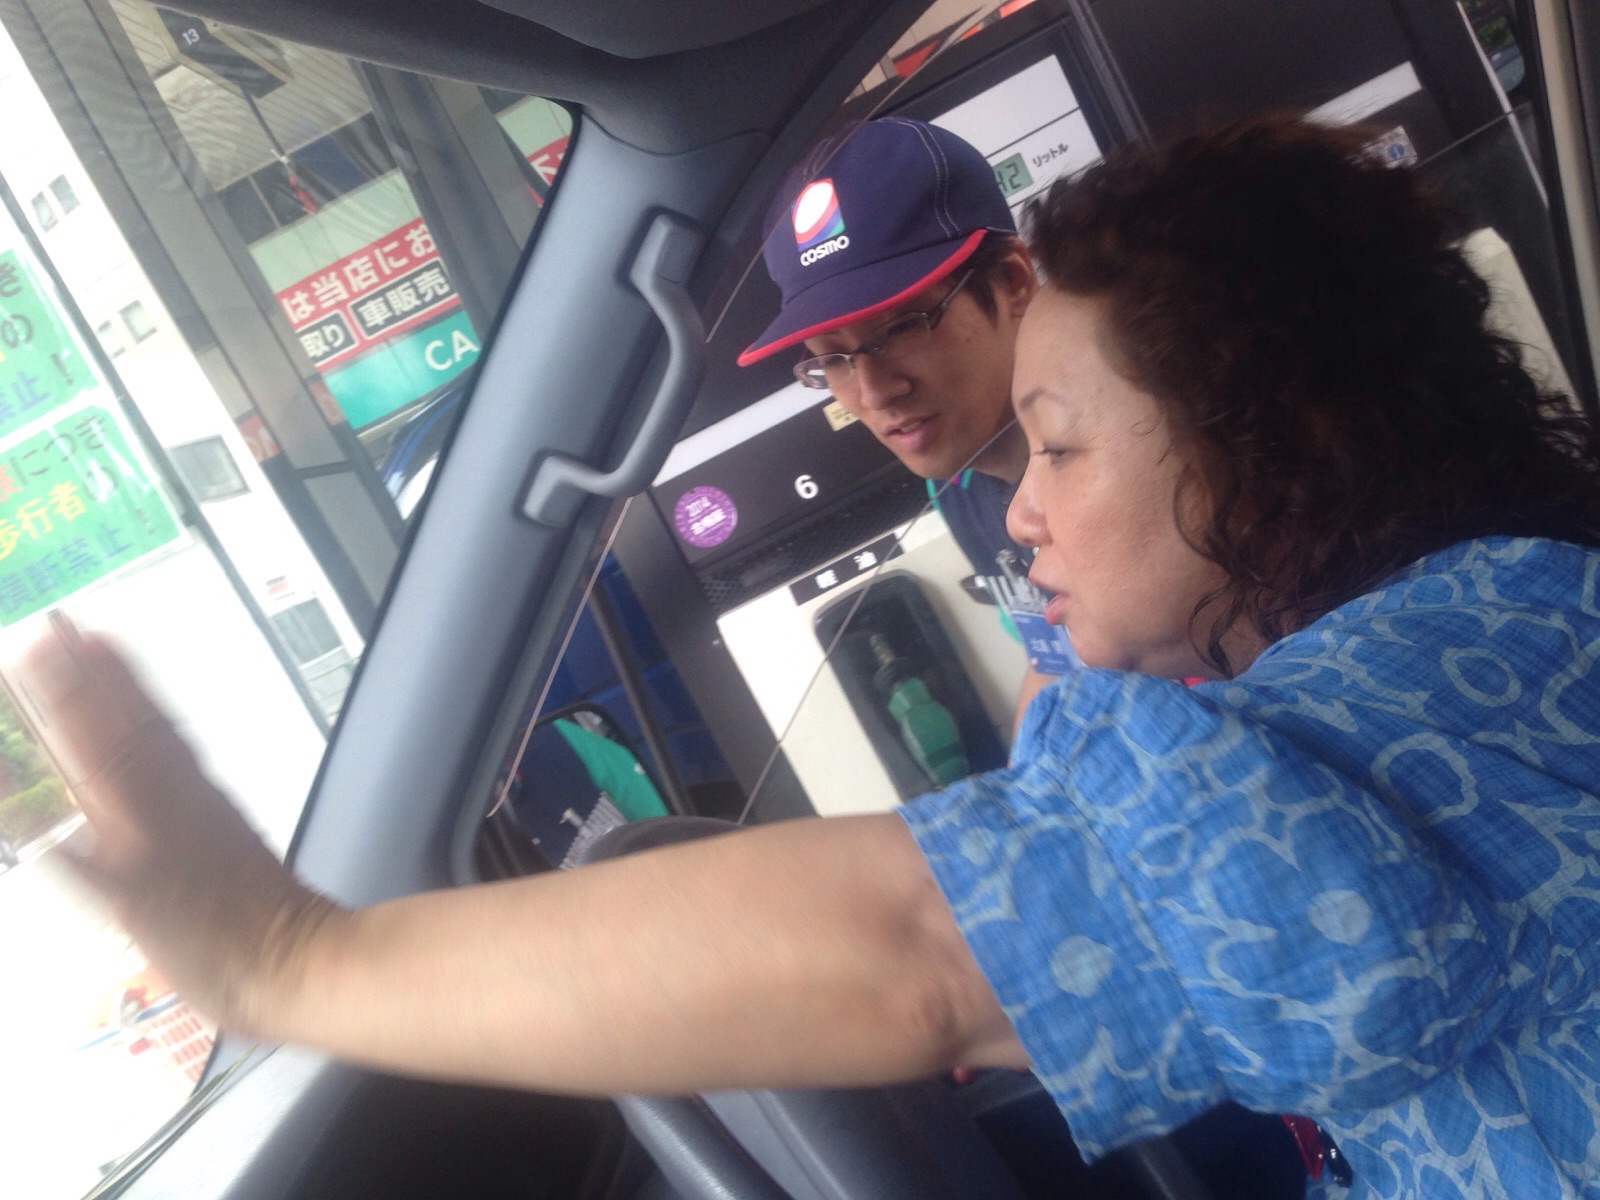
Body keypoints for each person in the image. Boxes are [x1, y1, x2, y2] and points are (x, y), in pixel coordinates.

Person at [26, 116, 1600, 1199]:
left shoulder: (1422, 723)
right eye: (833, 359)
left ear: (1272, 433)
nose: (1023, 513)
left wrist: (293, 963)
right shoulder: (1483, 624)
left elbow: (920, 951)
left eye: (1058, 447)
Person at [737, 116, 1075, 715]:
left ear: (1012, 282)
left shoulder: (1145, 445)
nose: (874, 393)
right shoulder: (956, 486)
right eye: (832, 359)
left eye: (901, 328)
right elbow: (1054, 661)